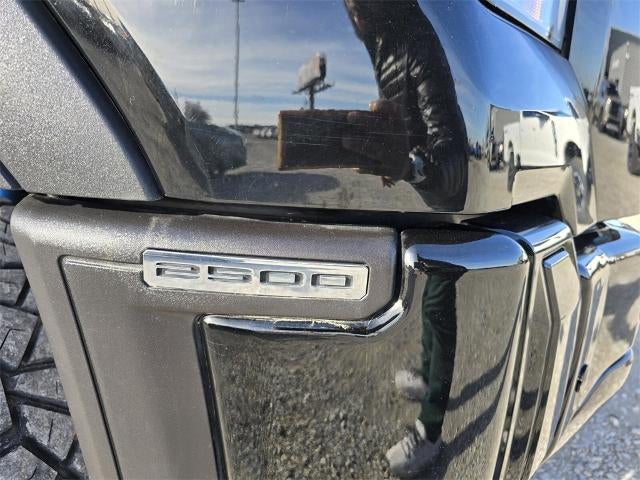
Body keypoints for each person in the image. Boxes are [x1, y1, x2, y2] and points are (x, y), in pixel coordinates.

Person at [343, 0, 468, 211]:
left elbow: (453, 158)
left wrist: (408, 167)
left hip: (446, 217)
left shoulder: (416, 40)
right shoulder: (381, 50)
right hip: (418, 207)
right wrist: (389, 156)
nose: (352, 4)